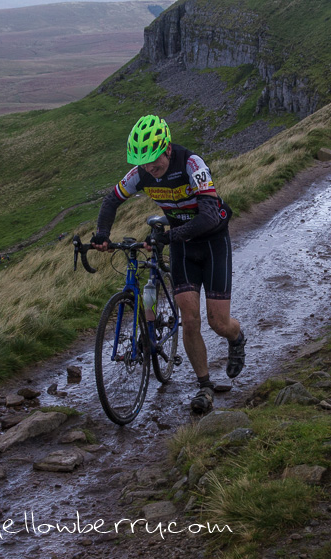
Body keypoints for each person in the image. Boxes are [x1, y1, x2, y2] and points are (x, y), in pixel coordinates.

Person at [90, 115, 245, 414]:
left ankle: (236, 338)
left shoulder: (192, 164)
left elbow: (209, 216)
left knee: (218, 322)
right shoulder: (140, 173)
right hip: (182, 246)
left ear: (167, 148)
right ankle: (204, 386)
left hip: (212, 242)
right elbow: (111, 200)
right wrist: (102, 234)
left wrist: (169, 236)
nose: (150, 169)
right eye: (143, 164)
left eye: (154, 161)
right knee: (190, 319)